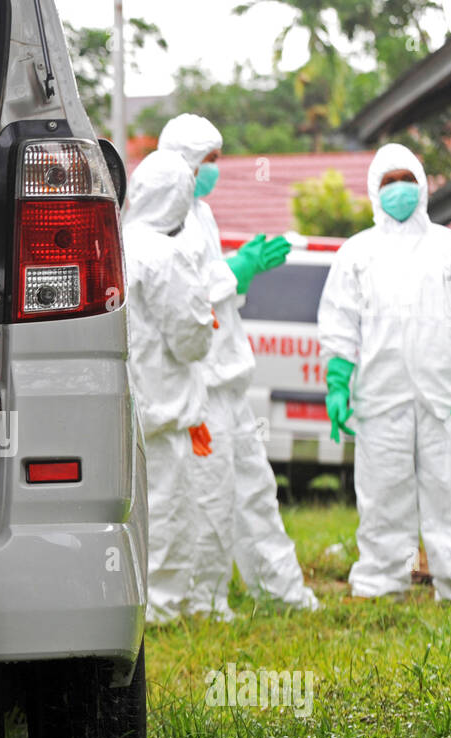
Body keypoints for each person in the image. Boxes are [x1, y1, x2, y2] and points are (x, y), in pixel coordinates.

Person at [316, 143, 451, 601]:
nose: (399, 190)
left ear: (423, 184)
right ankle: (380, 582)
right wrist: (338, 385)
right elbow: (340, 324)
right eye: (389, 182)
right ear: (375, 190)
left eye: (407, 180)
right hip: (380, 397)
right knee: (381, 495)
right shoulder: (357, 253)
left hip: (446, 395)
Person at [158, 114, 319, 617]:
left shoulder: (200, 214)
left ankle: (282, 593)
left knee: (255, 491)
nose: (215, 170)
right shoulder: (164, 223)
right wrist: (237, 270)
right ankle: (202, 603)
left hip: (229, 382)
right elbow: (182, 297)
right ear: (183, 163)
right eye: (209, 161)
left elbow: (217, 290)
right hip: (199, 386)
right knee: (208, 497)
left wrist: (239, 267)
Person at [122, 150, 218, 622]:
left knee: (128, 512)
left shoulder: (116, 243)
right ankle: (164, 607)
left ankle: (131, 598)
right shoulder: (168, 254)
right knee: (170, 514)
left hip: (123, 413)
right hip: (164, 411)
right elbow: (192, 339)